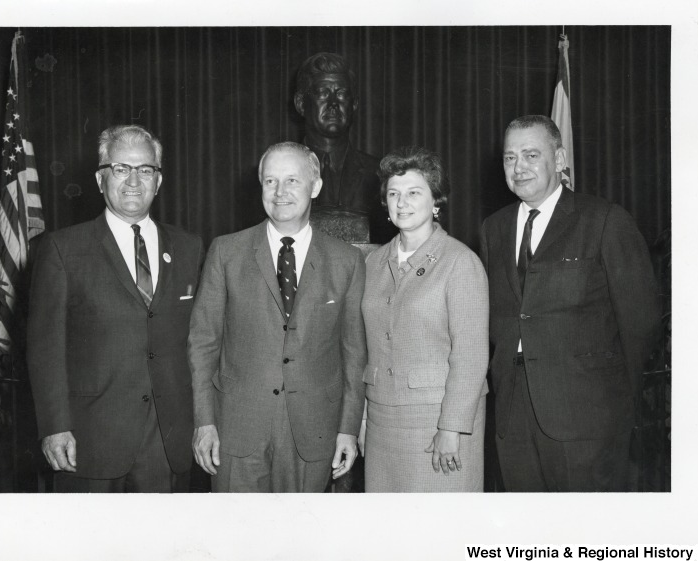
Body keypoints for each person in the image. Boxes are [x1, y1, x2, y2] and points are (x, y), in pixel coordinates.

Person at [479, 115, 662, 492]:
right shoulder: (492, 228)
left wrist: (611, 405)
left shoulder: (604, 220)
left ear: (560, 159)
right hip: (512, 414)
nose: (519, 167)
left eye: (531, 154)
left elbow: (640, 324)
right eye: (510, 157)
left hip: (587, 419)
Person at [27, 125, 204, 492]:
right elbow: (45, 350)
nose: (133, 181)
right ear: (100, 178)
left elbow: (201, 343)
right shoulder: (62, 249)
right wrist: (54, 427)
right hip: (89, 440)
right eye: (121, 168)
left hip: (167, 440)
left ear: (159, 180)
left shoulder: (189, 248)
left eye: (145, 170)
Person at [188, 141, 367, 492]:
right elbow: (202, 344)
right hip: (236, 433)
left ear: (315, 186)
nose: (280, 192)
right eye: (270, 181)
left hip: (313, 434)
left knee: (301, 541)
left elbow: (354, 354)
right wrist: (204, 422)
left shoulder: (347, 261)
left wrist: (347, 428)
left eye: (292, 181)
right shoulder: (226, 251)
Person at [359, 146, 489, 492]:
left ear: (436, 202)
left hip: (437, 424)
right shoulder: (372, 263)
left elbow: (471, 355)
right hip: (383, 422)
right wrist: (362, 416)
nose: (402, 203)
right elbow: (367, 347)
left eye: (414, 193)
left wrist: (453, 427)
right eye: (393, 194)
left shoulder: (460, 262)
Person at [294, 52, 392, 243]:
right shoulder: (275, 176)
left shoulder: (382, 175)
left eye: (341, 94)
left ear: (354, 103)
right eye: (322, 93)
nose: (333, 104)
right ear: (300, 104)